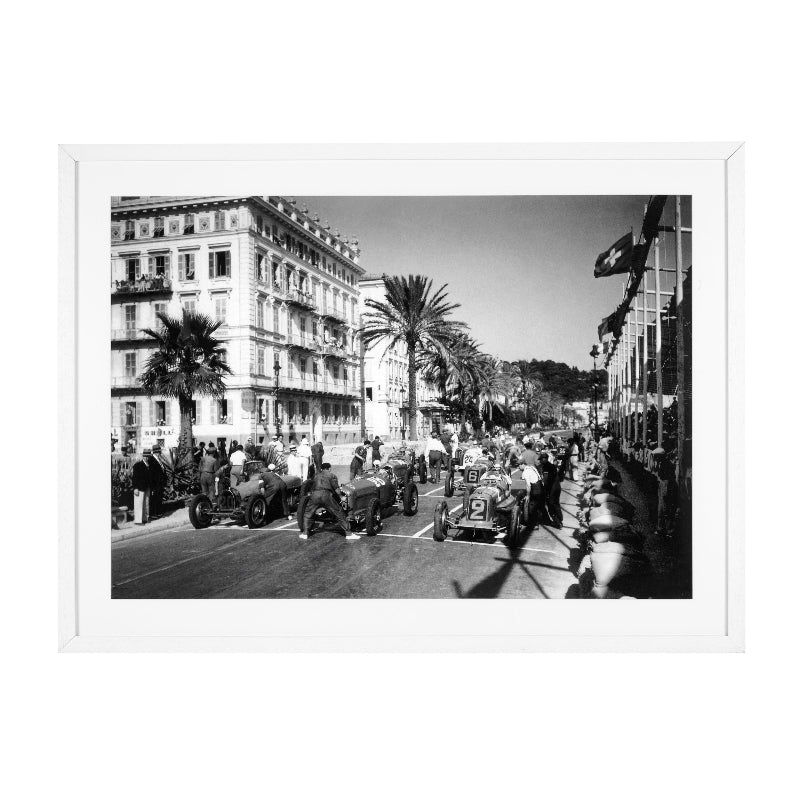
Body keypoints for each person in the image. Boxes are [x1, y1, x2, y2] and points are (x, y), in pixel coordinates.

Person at [300, 462, 360, 541]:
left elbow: (311, 487)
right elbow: (337, 489)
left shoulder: (315, 476)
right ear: (329, 468)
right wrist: (341, 497)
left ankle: (305, 533)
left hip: (315, 494)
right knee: (339, 513)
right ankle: (348, 534)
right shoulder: (332, 475)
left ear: (321, 469)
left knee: (308, 514)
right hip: (326, 495)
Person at [538, 452, 563, 529]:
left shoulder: (546, 467)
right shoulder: (552, 466)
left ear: (544, 459)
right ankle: (560, 519)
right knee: (556, 503)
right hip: (557, 487)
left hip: (551, 489)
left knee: (551, 504)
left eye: (541, 460)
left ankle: (557, 522)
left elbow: (545, 479)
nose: (540, 461)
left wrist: (543, 488)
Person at [131, 450, 151, 524]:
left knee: (146, 504)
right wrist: (135, 488)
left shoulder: (149, 465)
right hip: (139, 488)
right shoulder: (137, 465)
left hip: (147, 487)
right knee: (138, 504)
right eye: (145, 456)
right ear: (143, 456)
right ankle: (138, 520)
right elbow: (134, 478)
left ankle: (144, 519)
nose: (146, 458)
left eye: (148, 456)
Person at [148, 445, 167, 517]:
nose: (160, 453)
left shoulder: (158, 459)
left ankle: (158, 512)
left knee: (159, 498)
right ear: (156, 452)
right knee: (154, 499)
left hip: (160, 483)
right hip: (155, 483)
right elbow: (151, 474)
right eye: (159, 452)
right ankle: (153, 513)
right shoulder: (151, 460)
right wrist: (152, 485)